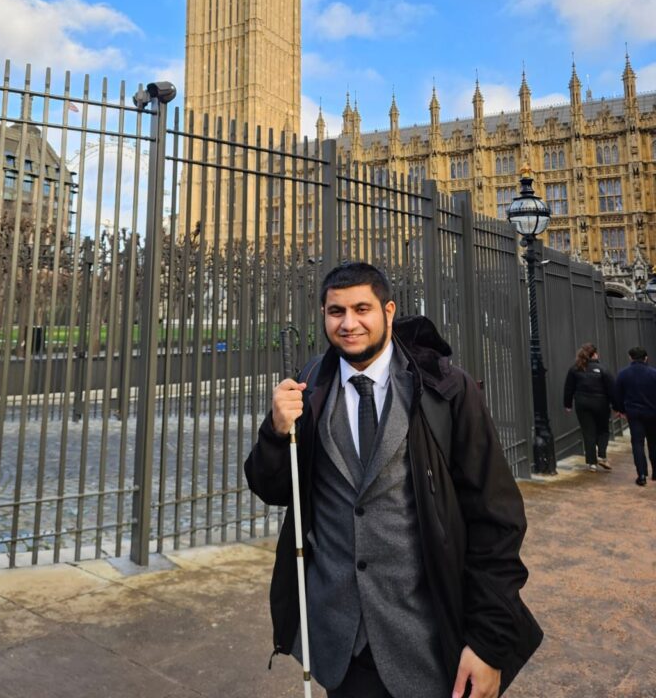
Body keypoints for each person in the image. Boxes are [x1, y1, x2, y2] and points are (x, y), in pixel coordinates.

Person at [244, 261, 542, 698]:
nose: (348, 324)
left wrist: (488, 643)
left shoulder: (446, 390)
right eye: (336, 311)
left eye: (361, 308)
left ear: (388, 310)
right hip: (342, 643)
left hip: (428, 641)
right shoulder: (310, 385)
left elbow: (497, 521)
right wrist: (274, 432)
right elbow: (271, 489)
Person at [562, 342, 616, 471]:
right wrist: (616, 405)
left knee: (588, 432)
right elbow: (611, 389)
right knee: (603, 430)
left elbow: (568, 388)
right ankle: (602, 455)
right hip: (601, 404)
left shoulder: (575, 368)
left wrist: (567, 404)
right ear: (595, 354)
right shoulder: (603, 369)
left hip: (582, 404)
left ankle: (591, 463)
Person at [613, 346, 656, 487]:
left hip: (634, 413)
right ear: (646, 358)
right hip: (652, 412)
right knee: (653, 442)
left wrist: (619, 409)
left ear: (630, 358)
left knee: (637, 443)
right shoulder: (653, 373)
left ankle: (642, 474)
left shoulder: (623, 374)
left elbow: (617, 394)